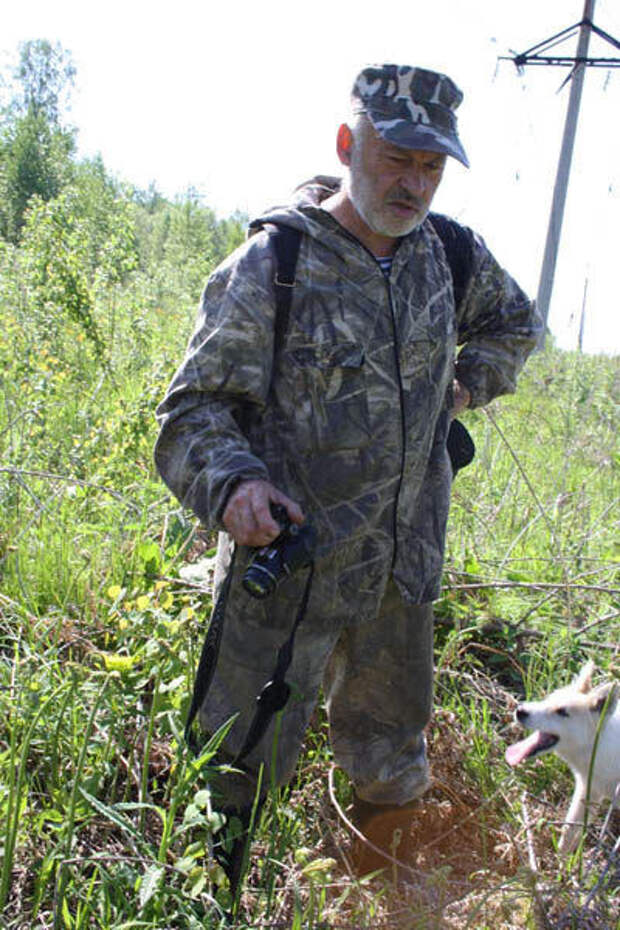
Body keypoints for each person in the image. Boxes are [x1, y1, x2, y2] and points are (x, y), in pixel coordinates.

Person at [154, 63, 541, 883]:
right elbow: (191, 412)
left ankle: (376, 896)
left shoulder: (451, 257)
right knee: (234, 766)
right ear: (347, 144)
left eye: (432, 166)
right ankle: (209, 895)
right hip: (286, 576)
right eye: (397, 157)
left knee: (393, 760)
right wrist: (235, 488)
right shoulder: (275, 264)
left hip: (400, 576)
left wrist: (465, 384)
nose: (414, 183)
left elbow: (516, 324)